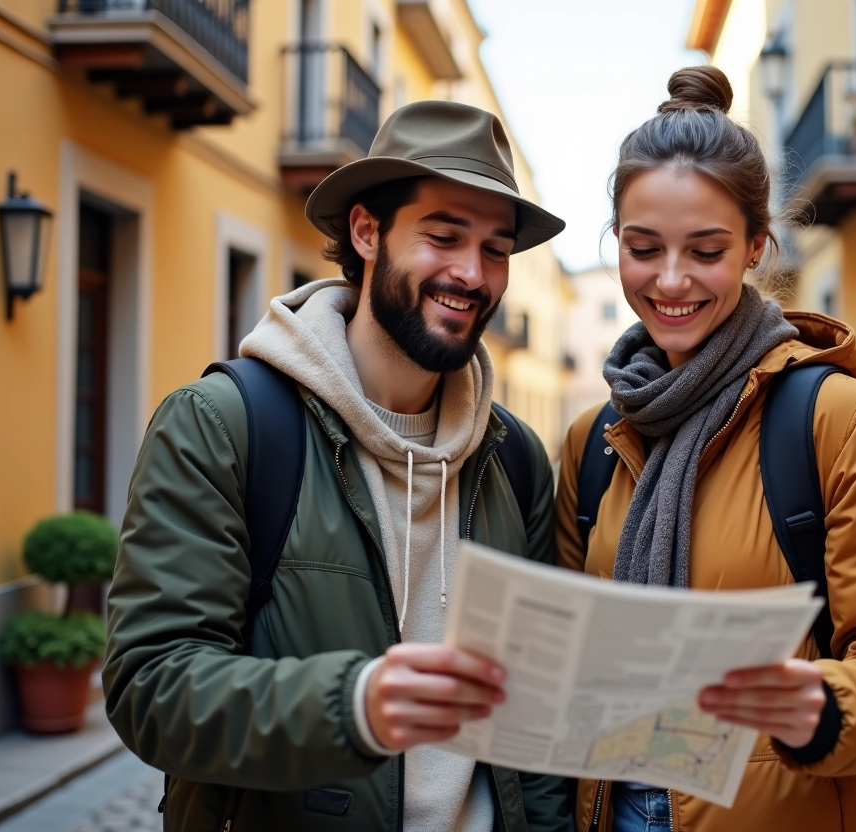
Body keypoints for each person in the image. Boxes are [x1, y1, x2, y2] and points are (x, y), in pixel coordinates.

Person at [104, 101, 573, 832]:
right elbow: (152, 688)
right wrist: (354, 705)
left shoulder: (514, 458)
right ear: (366, 232)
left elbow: (535, 711)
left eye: (495, 249)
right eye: (444, 236)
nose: (472, 273)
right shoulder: (222, 424)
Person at [555, 67, 856, 832]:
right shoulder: (596, 440)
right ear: (616, 245)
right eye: (644, 249)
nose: (670, 280)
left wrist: (818, 705)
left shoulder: (840, 421)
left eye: (705, 251)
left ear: (754, 247)